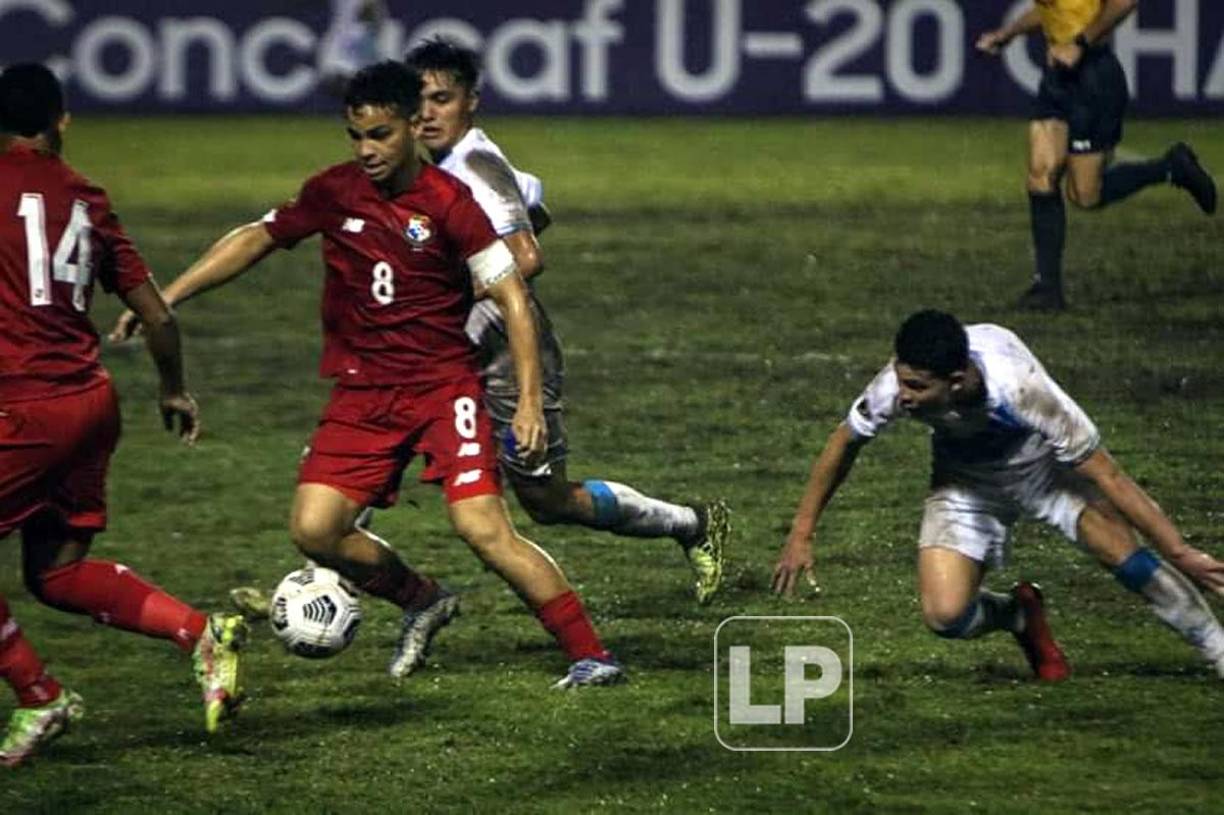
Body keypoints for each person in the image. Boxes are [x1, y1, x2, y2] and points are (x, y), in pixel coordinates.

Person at [114, 61, 623, 689]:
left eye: (380, 135)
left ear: (413, 127)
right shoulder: (335, 191)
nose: (366, 150)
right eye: (356, 136)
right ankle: (421, 599)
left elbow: (514, 297)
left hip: (442, 389)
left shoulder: (448, 203)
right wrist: (166, 299)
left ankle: (590, 654)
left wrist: (525, 402)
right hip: (363, 391)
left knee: (483, 529)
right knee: (315, 529)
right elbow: (258, 236)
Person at [405, 37, 729, 602]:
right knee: (380, 440)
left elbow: (527, 255)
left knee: (547, 501)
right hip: (455, 349)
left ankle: (690, 523)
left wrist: (443, 295)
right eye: (420, 101)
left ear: (471, 102)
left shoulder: (474, 164)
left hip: (508, 350)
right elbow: (535, 205)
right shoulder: (444, 165)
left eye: (442, 99)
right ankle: (338, 567)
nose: (428, 113)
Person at [0, 64, 247, 766]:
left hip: (26, 408)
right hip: (90, 404)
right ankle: (202, 632)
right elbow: (158, 316)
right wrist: (173, 389)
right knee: (54, 571)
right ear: (62, 119)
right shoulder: (87, 199)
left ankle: (39, 695)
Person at [772, 309, 1224, 681]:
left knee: (1130, 559)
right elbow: (844, 441)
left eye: (916, 387)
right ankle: (1018, 617)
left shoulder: (1023, 389)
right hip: (965, 480)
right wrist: (802, 532)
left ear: (954, 380)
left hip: (1045, 471)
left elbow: (1110, 476)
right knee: (945, 616)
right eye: (900, 378)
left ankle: (1216, 647)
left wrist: (1178, 549)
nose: (903, 395)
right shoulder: (896, 384)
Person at [976, 0, 1216, 311]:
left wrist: (1080, 42)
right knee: (1040, 176)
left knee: (1085, 195)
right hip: (1058, 77)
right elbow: (1052, 10)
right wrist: (1007, 33)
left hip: (1094, 77)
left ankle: (1171, 167)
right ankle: (1047, 288)